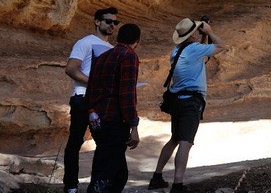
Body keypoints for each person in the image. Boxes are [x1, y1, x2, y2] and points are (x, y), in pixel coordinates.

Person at [148, 18, 226, 192]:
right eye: (197, 31)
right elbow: (222, 46)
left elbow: (202, 57)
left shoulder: (176, 52)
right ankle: (177, 185)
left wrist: (203, 36)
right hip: (191, 102)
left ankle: (157, 177)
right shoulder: (195, 49)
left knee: (175, 138)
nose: (199, 32)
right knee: (185, 142)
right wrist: (210, 31)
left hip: (177, 101)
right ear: (192, 35)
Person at [63, 7, 119, 193]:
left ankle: (97, 184)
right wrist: (94, 83)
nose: (112, 25)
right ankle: (71, 185)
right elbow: (71, 69)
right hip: (82, 97)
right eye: (108, 21)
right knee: (75, 142)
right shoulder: (85, 43)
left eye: (115, 22)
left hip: (102, 101)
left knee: (104, 144)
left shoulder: (112, 49)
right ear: (97, 22)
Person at [84, 23, 142, 193]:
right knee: (105, 177)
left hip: (98, 120)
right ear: (137, 41)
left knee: (118, 173)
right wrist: (134, 126)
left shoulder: (103, 56)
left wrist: (91, 112)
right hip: (114, 121)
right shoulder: (129, 56)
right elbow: (127, 93)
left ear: (118, 37)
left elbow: (91, 89)